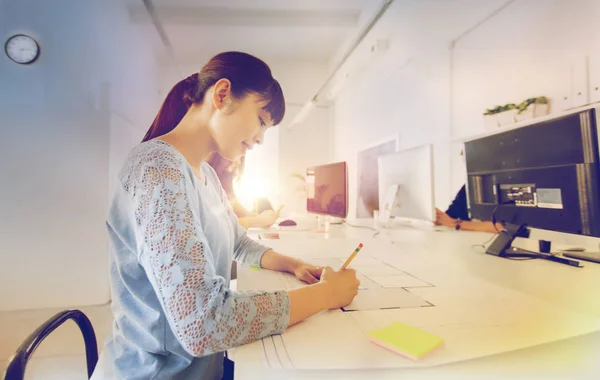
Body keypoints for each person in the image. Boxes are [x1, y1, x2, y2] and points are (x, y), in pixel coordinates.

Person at [92, 52, 360, 380]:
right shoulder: (158, 170)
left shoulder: (205, 174)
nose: (261, 138)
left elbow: (241, 243)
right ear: (221, 95)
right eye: (261, 120)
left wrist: (295, 265)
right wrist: (325, 296)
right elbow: (203, 323)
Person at [206, 152, 281, 229]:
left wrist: (261, 217)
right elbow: (214, 226)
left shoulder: (225, 179)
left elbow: (238, 210)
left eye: (241, 157)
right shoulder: (203, 180)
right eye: (237, 155)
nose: (239, 162)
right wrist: (256, 221)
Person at [435, 185, 504, 233]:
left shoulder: (507, 185)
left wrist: (456, 224)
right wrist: (438, 217)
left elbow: (503, 227)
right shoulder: (469, 187)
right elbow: (451, 216)